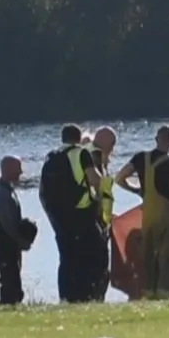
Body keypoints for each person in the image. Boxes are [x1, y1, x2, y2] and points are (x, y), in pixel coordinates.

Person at [38, 124, 103, 304]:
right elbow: (95, 179)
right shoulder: (80, 153)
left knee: (66, 259)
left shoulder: (50, 157)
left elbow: (42, 191)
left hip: (59, 218)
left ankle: (66, 297)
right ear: (79, 137)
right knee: (92, 256)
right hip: (81, 215)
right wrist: (98, 198)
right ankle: (86, 296)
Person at [119, 126, 169, 298]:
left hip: (148, 217)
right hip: (168, 217)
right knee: (168, 256)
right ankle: (165, 293)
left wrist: (137, 191)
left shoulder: (141, 158)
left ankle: (148, 293)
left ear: (156, 139)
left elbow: (119, 178)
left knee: (148, 257)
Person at [0, 156, 37, 306]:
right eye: (17, 168)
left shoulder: (7, 189)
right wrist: (21, 242)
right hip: (3, 243)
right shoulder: (0, 192)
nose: (20, 172)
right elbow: (6, 223)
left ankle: (11, 304)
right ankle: (7, 306)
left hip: (9, 243)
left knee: (13, 279)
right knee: (10, 281)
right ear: (7, 169)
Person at [89, 126, 119, 300]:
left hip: (102, 220)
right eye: (112, 144)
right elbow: (98, 190)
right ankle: (96, 297)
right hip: (95, 220)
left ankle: (96, 297)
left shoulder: (98, 158)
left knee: (99, 264)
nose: (113, 149)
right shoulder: (94, 158)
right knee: (99, 264)